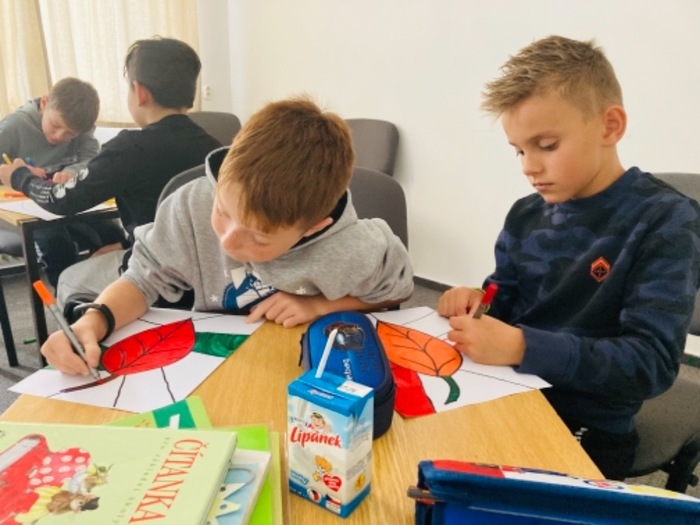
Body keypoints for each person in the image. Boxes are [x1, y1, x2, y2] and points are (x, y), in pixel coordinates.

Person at [437, 35, 700, 480]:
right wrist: (477, 302)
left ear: (609, 126)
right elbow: (503, 296)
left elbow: (650, 364)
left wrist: (522, 346)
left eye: (546, 145)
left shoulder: (665, 221)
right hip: (503, 390)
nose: (529, 166)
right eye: (519, 150)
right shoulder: (525, 214)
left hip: (588, 421)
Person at [40, 96, 414, 377]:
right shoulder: (191, 203)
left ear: (313, 228)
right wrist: (95, 320)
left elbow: (395, 289)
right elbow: (143, 278)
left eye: (259, 238)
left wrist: (317, 306)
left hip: (296, 370)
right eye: (223, 212)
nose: (228, 243)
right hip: (212, 366)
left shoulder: (353, 246)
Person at [0, 37, 221, 300]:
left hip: (156, 272)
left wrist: (19, 176)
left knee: (69, 280)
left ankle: (90, 326)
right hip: (212, 275)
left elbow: (61, 199)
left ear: (139, 92)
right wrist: (126, 243)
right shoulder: (216, 150)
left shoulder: (129, 149)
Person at [0, 77, 126, 286]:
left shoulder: (83, 128)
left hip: (64, 203)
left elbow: (91, 159)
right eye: (56, 125)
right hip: (23, 210)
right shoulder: (13, 127)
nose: (59, 136)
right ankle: (65, 295)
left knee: (112, 234)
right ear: (44, 103)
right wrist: (18, 173)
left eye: (70, 134)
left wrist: (71, 172)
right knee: (57, 243)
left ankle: (106, 292)